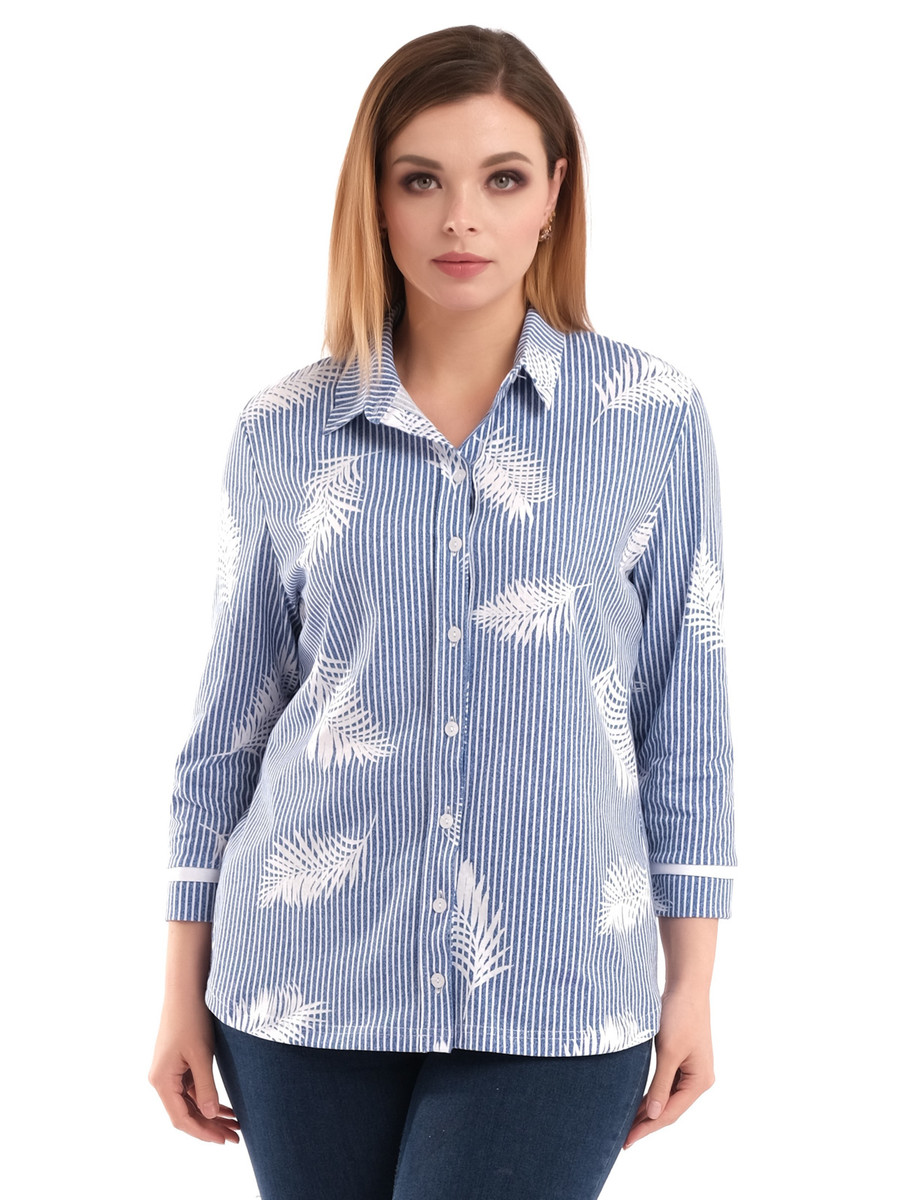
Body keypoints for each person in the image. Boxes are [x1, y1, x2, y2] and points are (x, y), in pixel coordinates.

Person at [149, 24, 735, 1200]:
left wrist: (693, 988)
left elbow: (684, 720)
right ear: (374, 200)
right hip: (302, 986)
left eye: (501, 179)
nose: (461, 220)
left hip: (561, 984)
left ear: (554, 196)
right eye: (422, 181)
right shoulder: (283, 431)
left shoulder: (652, 418)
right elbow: (229, 733)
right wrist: (178, 992)